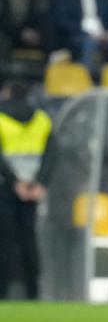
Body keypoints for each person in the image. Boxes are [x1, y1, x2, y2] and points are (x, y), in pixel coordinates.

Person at [0, 78, 53, 300]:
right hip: (33, 188)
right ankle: (33, 291)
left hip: (6, 187)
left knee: (5, 239)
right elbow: (52, 155)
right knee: (29, 239)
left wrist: (14, 182)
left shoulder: (2, 118)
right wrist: (41, 182)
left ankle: (4, 290)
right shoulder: (42, 120)